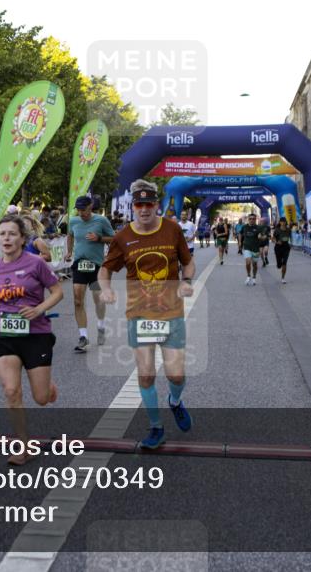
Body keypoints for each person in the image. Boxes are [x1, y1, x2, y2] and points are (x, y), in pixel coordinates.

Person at [99, 180, 195, 450]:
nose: (144, 209)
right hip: (140, 314)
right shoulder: (122, 237)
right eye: (139, 204)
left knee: (176, 375)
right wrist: (105, 289)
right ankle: (156, 427)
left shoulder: (172, 229)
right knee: (146, 375)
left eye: (149, 204)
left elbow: (188, 262)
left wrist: (186, 281)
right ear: (133, 207)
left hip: (171, 312)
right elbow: (105, 270)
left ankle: (175, 401)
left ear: (156, 206)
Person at [0, 214, 63, 465]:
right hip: (6, 334)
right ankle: (24, 446)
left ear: (22, 239)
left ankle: (47, 386)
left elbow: (57, 292)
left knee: (41, 398)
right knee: (11, 391)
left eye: (12, 234)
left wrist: (38, 309)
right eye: (2, 234)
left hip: (37, 334)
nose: (6, 238)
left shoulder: (36, 263)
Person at [65, 195, 115, 353]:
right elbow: (70, 235)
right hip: (80, 264)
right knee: (78, 301)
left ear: (90, 206)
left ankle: (100, 326)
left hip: (97, 266)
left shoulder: (101, 220)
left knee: (98, 300)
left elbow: (114, 238)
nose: (81, 213)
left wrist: (99, 238)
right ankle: (83, 337)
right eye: (79, 210)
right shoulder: (74, 221)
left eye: (84, 209)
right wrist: (69, 251)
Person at [239, 212, 266, 286]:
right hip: (247, 247)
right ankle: (248, 276)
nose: (252, 220)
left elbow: (264, 236)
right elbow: (240, 234)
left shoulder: (258, 228)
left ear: (255, 220)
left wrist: (261, 237)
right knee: (248, 262)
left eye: (253, 219)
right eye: (250, 219)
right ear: (248, 219)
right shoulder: (244, 227)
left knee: (254, 264)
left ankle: (254, 277)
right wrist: (240, 242)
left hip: (255, 248)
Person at [272, 217, 292, 283]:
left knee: (284, 263)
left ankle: (283, 278)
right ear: (280, 222)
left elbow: (290, 237)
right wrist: (277, 242)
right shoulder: (277, 230)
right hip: (278, 247)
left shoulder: (288, 230)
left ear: (286, 222)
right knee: (279, 265)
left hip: (286, 247)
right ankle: (278, 264)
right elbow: (273, 238)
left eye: (284, 222)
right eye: (282, 222)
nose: (283, 223)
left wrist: (291, 243)